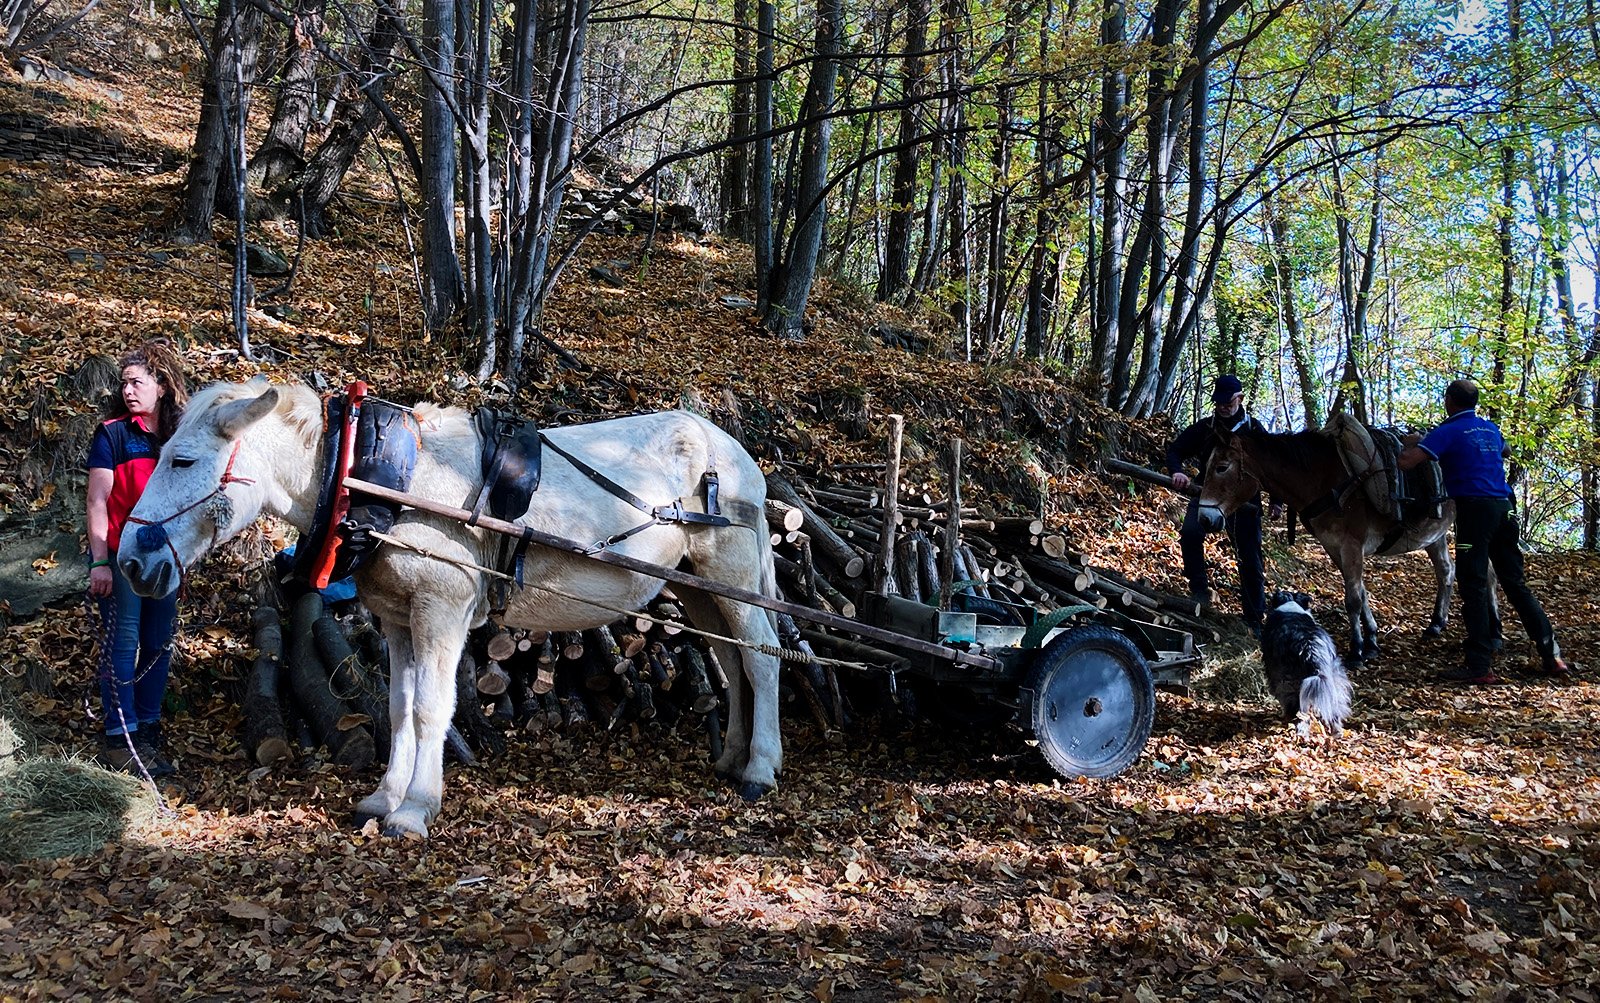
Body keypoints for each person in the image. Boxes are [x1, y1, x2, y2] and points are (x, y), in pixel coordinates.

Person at [1398, 378, 1567, 685]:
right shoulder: (1490, 428)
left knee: (1473, 583)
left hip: (1475, 512)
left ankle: (1479, 664)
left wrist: (1411, 443)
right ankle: (1551, 654)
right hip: (1504, 507)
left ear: (1450, 400)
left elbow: (1407, 463)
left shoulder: (1446, 430)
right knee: (1515, 583)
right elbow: (1505, 450)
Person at [86, 340, 190, 776]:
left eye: (137, 382)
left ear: (162, 386)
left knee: (158, 644)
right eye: (124, 383)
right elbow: (97, 501)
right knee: (123, 644)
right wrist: (99, 562)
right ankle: (119, 737)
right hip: (120, 557)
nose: (128, 390)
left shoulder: (179, 438)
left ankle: (147, 729)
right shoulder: (113, 434)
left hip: (163, 559)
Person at [1166, 375, 1272, 632]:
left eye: (1228, 402)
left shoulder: (1254, 431)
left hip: (1244, 502)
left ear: (1240, 399)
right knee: (1190, 533)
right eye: (1219, 402)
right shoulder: (1205, 428)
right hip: (1207, 494)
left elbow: (1273, 467)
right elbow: (1175, 450)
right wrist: (1177, 471)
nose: (1223, 406)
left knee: (1249, 557)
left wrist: (1277, 501)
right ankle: (1199, 592)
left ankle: (1254, 618)